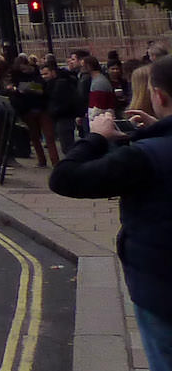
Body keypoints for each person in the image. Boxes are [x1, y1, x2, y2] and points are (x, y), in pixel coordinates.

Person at [51, 55, 172, 371]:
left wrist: (96, 138)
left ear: (158, 96)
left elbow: (65, 178)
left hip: (162, 288)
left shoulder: (143, 157)